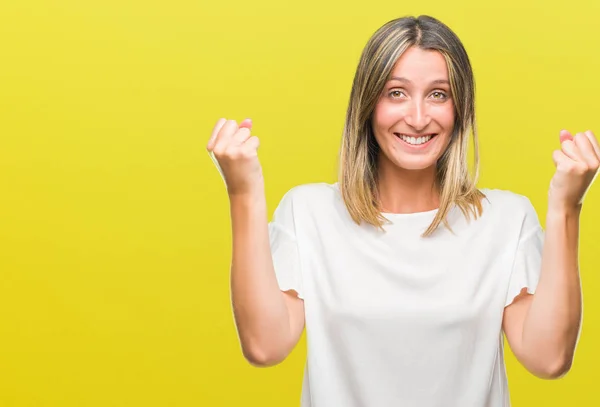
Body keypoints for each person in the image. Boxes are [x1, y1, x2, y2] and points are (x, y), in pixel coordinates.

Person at [206, 15, 599, 407]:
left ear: (459, 109)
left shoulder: (506, 220)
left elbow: (549, 359)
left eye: (438, 94)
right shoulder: (309, 213)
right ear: (368, 104)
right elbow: (264, 346)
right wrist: (243, 192)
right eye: (396, 93)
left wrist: (567, 206)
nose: (417, 117)